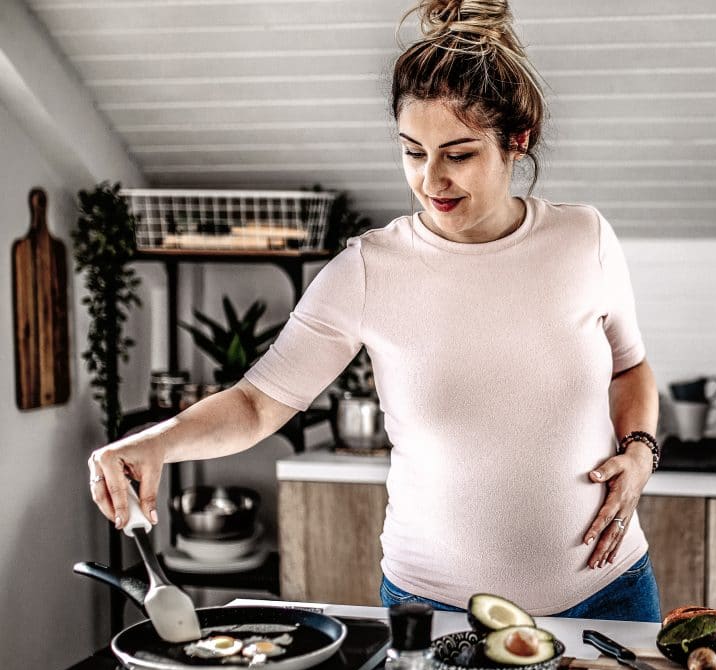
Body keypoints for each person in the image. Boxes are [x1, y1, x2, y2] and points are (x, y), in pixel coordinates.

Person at [88, 0, 662, 622]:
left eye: (459, 154)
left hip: (606, 594)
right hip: (435, 610)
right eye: (413, 152)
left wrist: (639, 452)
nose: (430, 179)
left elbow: (629, 368)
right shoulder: (368, 270)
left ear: (515, 142)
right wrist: (156, 443)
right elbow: (257, 404)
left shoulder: (585, 239)